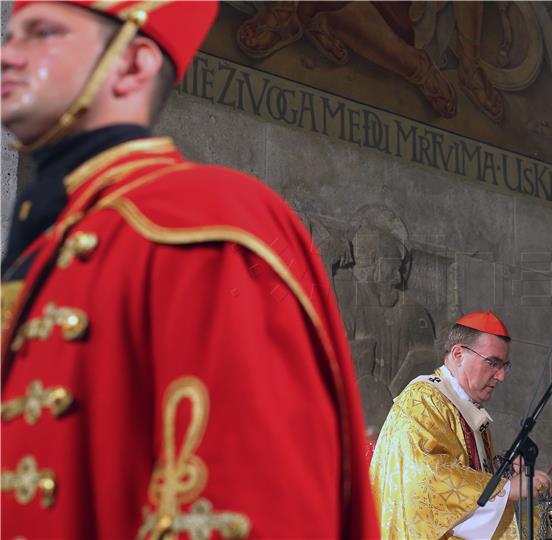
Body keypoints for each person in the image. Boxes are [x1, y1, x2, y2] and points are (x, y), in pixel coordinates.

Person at [0, 2, 378, 538]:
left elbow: (247, 508)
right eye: (10, 34)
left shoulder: (207, 221)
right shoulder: (46, 238)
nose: (8, 55)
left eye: (43, 33)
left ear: (133, 65)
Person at [369, 311, 551, 539]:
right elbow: (423, 481)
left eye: (505, 365)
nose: (501, 376)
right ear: (458, 354)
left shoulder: (466, 409)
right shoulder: (422, 400)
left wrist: (506, 473)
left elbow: (471, 482)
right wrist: (505, 490)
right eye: (493, 363)